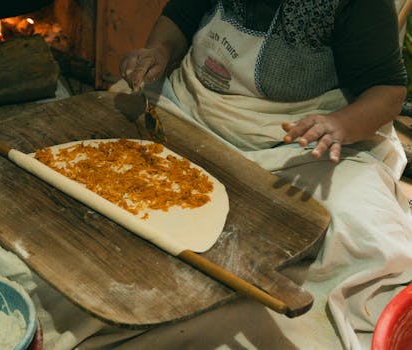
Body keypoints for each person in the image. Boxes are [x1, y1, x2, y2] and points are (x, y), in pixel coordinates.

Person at [114, 0, 412, 349]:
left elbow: (388, 92)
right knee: (115, 151)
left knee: (364, 232)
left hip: (298, 138)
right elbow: (181, 15)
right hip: (194, 108)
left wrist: (339, 125)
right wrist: (158, 51)